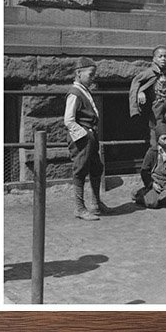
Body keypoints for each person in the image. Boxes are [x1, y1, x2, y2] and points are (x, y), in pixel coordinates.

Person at [129, 45, 166, 174]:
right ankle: (157, 170)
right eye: (160, 56)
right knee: (157, 139)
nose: (163, 59)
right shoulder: (148, 73)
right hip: (156, 110)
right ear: (154, 58)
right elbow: (136, 83)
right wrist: (140, 93)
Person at [62, 57, 106, 222]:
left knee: (96, 168)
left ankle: (96, 203)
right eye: (90, 74)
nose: (93, 77)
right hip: (82, 138)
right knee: (80, 170)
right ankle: (79, 208)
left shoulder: (85, 90)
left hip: (91, 136)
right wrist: (84, 135)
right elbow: (69, 119)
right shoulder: (74, 93)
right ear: (79, 73)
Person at [133, 122, 166, 210]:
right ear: (158, 139)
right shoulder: (152, 152)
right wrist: (152, 184)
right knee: (152, 203)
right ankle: (140, 195)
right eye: (164, 138)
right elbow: (144, 171)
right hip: (155, 179)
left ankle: (158, 199)